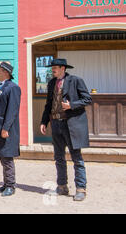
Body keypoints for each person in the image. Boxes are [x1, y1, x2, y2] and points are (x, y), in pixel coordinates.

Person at [40, 58, 92, 201]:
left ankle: (81, 189)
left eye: (55, 68)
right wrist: (44, 121)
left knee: (77, 158)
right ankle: (62, 186)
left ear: (63, 68)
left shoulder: (76, 80)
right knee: (58, 157)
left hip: (71, 124)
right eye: (52, 68)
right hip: (56, 123)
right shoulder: (51, 83)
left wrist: (72, 105)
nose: (53, 70)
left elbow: (87, 99)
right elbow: (48, 104)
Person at [0, 61, 21, 197]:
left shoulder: (13, 88)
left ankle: (10, 185)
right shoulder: (0, 86)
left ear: (6, 72)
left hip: (6, 127)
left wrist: (6, 128)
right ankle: (6, 183)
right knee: (2, 155)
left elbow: (12, 110)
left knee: (7, 156)